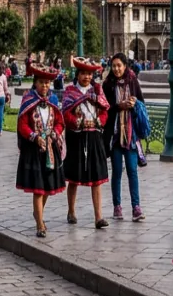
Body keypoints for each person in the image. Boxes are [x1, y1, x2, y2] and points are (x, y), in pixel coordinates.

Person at [16, 64, 66, 237]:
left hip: (50, 149)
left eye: (47, 83)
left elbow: (60, 121)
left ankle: (38, 213)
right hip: (34, 149)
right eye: (42, 83)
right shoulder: (28, 100)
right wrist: (34, 136)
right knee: (38, 188)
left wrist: (55, 133)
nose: (45, 86)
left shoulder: (52, 101)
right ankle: (40, 224)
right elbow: (22, 124)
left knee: (47, 188)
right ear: (35, 83)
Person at [61, 57, 110, 229]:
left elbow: (104, 112)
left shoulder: (97, 92)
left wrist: (99, 122)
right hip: (77, 137)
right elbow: (66, 114)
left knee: (96, 178)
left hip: (94, 137)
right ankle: (71, 211)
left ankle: (98, 217)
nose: (87, 77)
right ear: (78, 74)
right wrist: (77, 122)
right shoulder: (70, 92)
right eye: (83, 74)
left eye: (89, 74)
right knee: (73, 177)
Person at [102, 53, 146, 222]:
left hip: (130, 133)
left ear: (125, 66)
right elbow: (104, 108)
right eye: (114, 66)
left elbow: (142, 103)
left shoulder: (133, 81)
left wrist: (134, 105)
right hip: (114, 135)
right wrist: (118, 106)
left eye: (119, 65)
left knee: (132, 170)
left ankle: (136, 207)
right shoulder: (108, 84)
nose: (117, 69)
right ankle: (117, 206)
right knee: (117, 171)